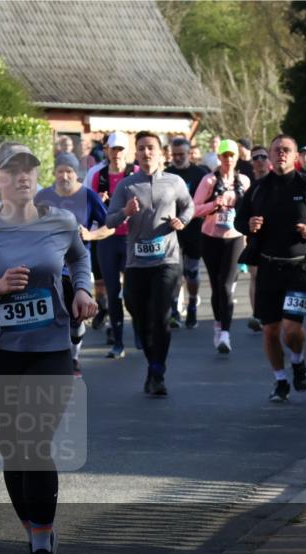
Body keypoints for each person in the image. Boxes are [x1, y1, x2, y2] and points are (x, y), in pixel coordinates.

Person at [0, 142, 96, 554]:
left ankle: (41, 550)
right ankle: (36, 530)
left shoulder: (61, 221)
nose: (22, 177)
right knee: (13, 452)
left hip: (51, 349)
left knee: (35, 443)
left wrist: (81, 290)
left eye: (29, 170)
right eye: (11, 171)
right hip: (0, 353)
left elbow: (79, 257)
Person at [236, 135, 306, 402]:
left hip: (300, 268)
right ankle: (280, 380)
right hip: (268, 267)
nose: (281, 154)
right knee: (270, 330)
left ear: (296, 156)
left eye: (286, 150)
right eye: (276, 150)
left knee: (292, 328)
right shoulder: (258, 188)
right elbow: (240, 221)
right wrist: (249, 225)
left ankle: (298, 361)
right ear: (269, 154)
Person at [105, 131, 194, 396]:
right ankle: (152, 365)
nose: (146, 153)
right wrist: (125, 212)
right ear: (137, 152)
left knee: (160, 316)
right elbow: (109, 221)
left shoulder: (174, 181)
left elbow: (188, 206)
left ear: (160, 152)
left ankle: (157, 371)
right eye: (142, 148)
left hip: (167, 259)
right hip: (136, 262)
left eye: (151, 148)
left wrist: (182, 222)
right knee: (140, 315)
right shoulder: (126, 185)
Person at [34, 152, 110, 377]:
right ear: (54, 173)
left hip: (77, 266)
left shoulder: (88, 196)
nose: (64, 175)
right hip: (48, 266)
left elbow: (110, 226)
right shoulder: (42, 196)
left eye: (69, 171)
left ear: (76, 173)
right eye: (60, 171)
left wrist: (91, 234)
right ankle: (54, 359)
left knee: (76, 319)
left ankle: (74, 355)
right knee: (49, 316)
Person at [193, 139, 250, 353]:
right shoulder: (208, 181)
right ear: (219, 157)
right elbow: (193, 209)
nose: (228, 159)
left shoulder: (243, 181)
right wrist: (213, 205)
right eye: (224, 155)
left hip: (234, 238)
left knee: (226, 285)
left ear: (237, 158)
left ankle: (225, 333)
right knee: (217, 285)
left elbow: (251, 208)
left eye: (231, 155)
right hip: (210, 237)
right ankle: (218, 325)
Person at [90, 132, 138, 358]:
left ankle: (139, 331)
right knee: (112, 291)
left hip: (132, 238)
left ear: (126, 152)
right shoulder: (98, 176)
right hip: (107, 239)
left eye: (120, 149)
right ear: (106, 151)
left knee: (132, 292)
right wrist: (100, 201)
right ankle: (118, 342)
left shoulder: (135, 173)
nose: (117, 154)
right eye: (113, 149)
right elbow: (90, 208)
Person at [165, 137, 210, 330]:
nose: (177, 158)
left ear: (189, 153)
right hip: (172, 228)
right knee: (174, 272)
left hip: (193, 228)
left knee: (191, 272)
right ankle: (174, 310)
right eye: (174, 155)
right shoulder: (166, 173)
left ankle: (192, 303)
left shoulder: (199, 173)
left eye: (181, 154)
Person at [243, 145, 272, 332]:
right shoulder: (249, 186)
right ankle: (257, 315)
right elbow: (241, 216)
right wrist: (248, 227)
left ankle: (270, 312)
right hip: (255, 237)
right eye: (256, 158)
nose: (260, 160)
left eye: (263, 156)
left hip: (275, 237)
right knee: (255, 275)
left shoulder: (276, 182)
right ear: (252, 162)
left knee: (270, 277)